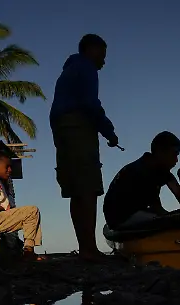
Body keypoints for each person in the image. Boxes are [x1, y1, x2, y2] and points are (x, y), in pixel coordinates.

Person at [50, 33, 119, 263]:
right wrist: (109, 131)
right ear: (91, 49)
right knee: (88, 188)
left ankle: (85, 248)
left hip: (62, 130)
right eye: (102, 54)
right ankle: (89, 250)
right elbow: (91, 103)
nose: (104, 61)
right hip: (77, 126)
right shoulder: (86, 67)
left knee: (76, 190)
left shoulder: (68, 71)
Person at [103, 131, 180, 229]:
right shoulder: (144, 171)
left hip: (136, 213)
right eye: (174, 154)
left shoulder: (160, 169)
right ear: (160, 152)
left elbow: (179, 193)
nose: (177, 160)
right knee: (172, 224)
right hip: (121, 218)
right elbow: (157, 209)